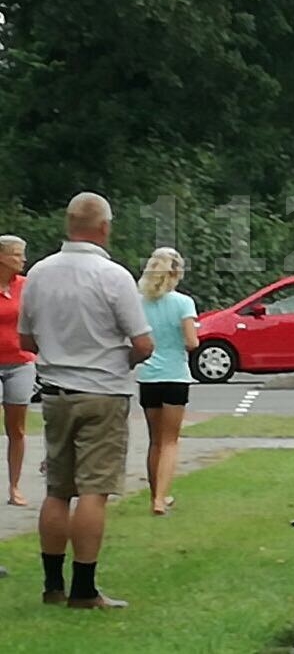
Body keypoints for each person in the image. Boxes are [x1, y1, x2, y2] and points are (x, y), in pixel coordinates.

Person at [18, 192, 153, 609]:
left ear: (68, 224)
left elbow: (25, 339)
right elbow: (143, 343)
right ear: (104, 227)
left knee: (58, 488)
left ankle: (52, 584)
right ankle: (84, 588)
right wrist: (119, 360)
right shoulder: (112, 276)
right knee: (95, 489)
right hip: (103, 391)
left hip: (55, 391)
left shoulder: (39, 273)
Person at [136, 248, 198, 516]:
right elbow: (191, 342)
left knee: (154, 440)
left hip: (148, 375)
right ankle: (161, 499)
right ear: (176, 273)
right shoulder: (183, 303)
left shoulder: (139, 302)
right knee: (170, 440)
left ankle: (155, 494)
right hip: (174, 375)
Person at [0, 235, 36, 507]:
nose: (22, 259)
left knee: (17, 428)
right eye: (16, 254)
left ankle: (14, 487)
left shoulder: (26, 286)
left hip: (20, 362)